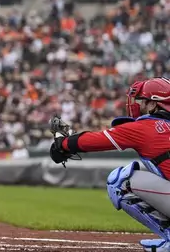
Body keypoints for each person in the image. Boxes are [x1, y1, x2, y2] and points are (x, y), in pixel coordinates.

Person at [50, 78, 170, 252]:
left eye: (143, 101)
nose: (138, 105)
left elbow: (97, 140)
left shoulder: (145, 128)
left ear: (153, 105)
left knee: (120, 181)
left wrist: (63, 144)